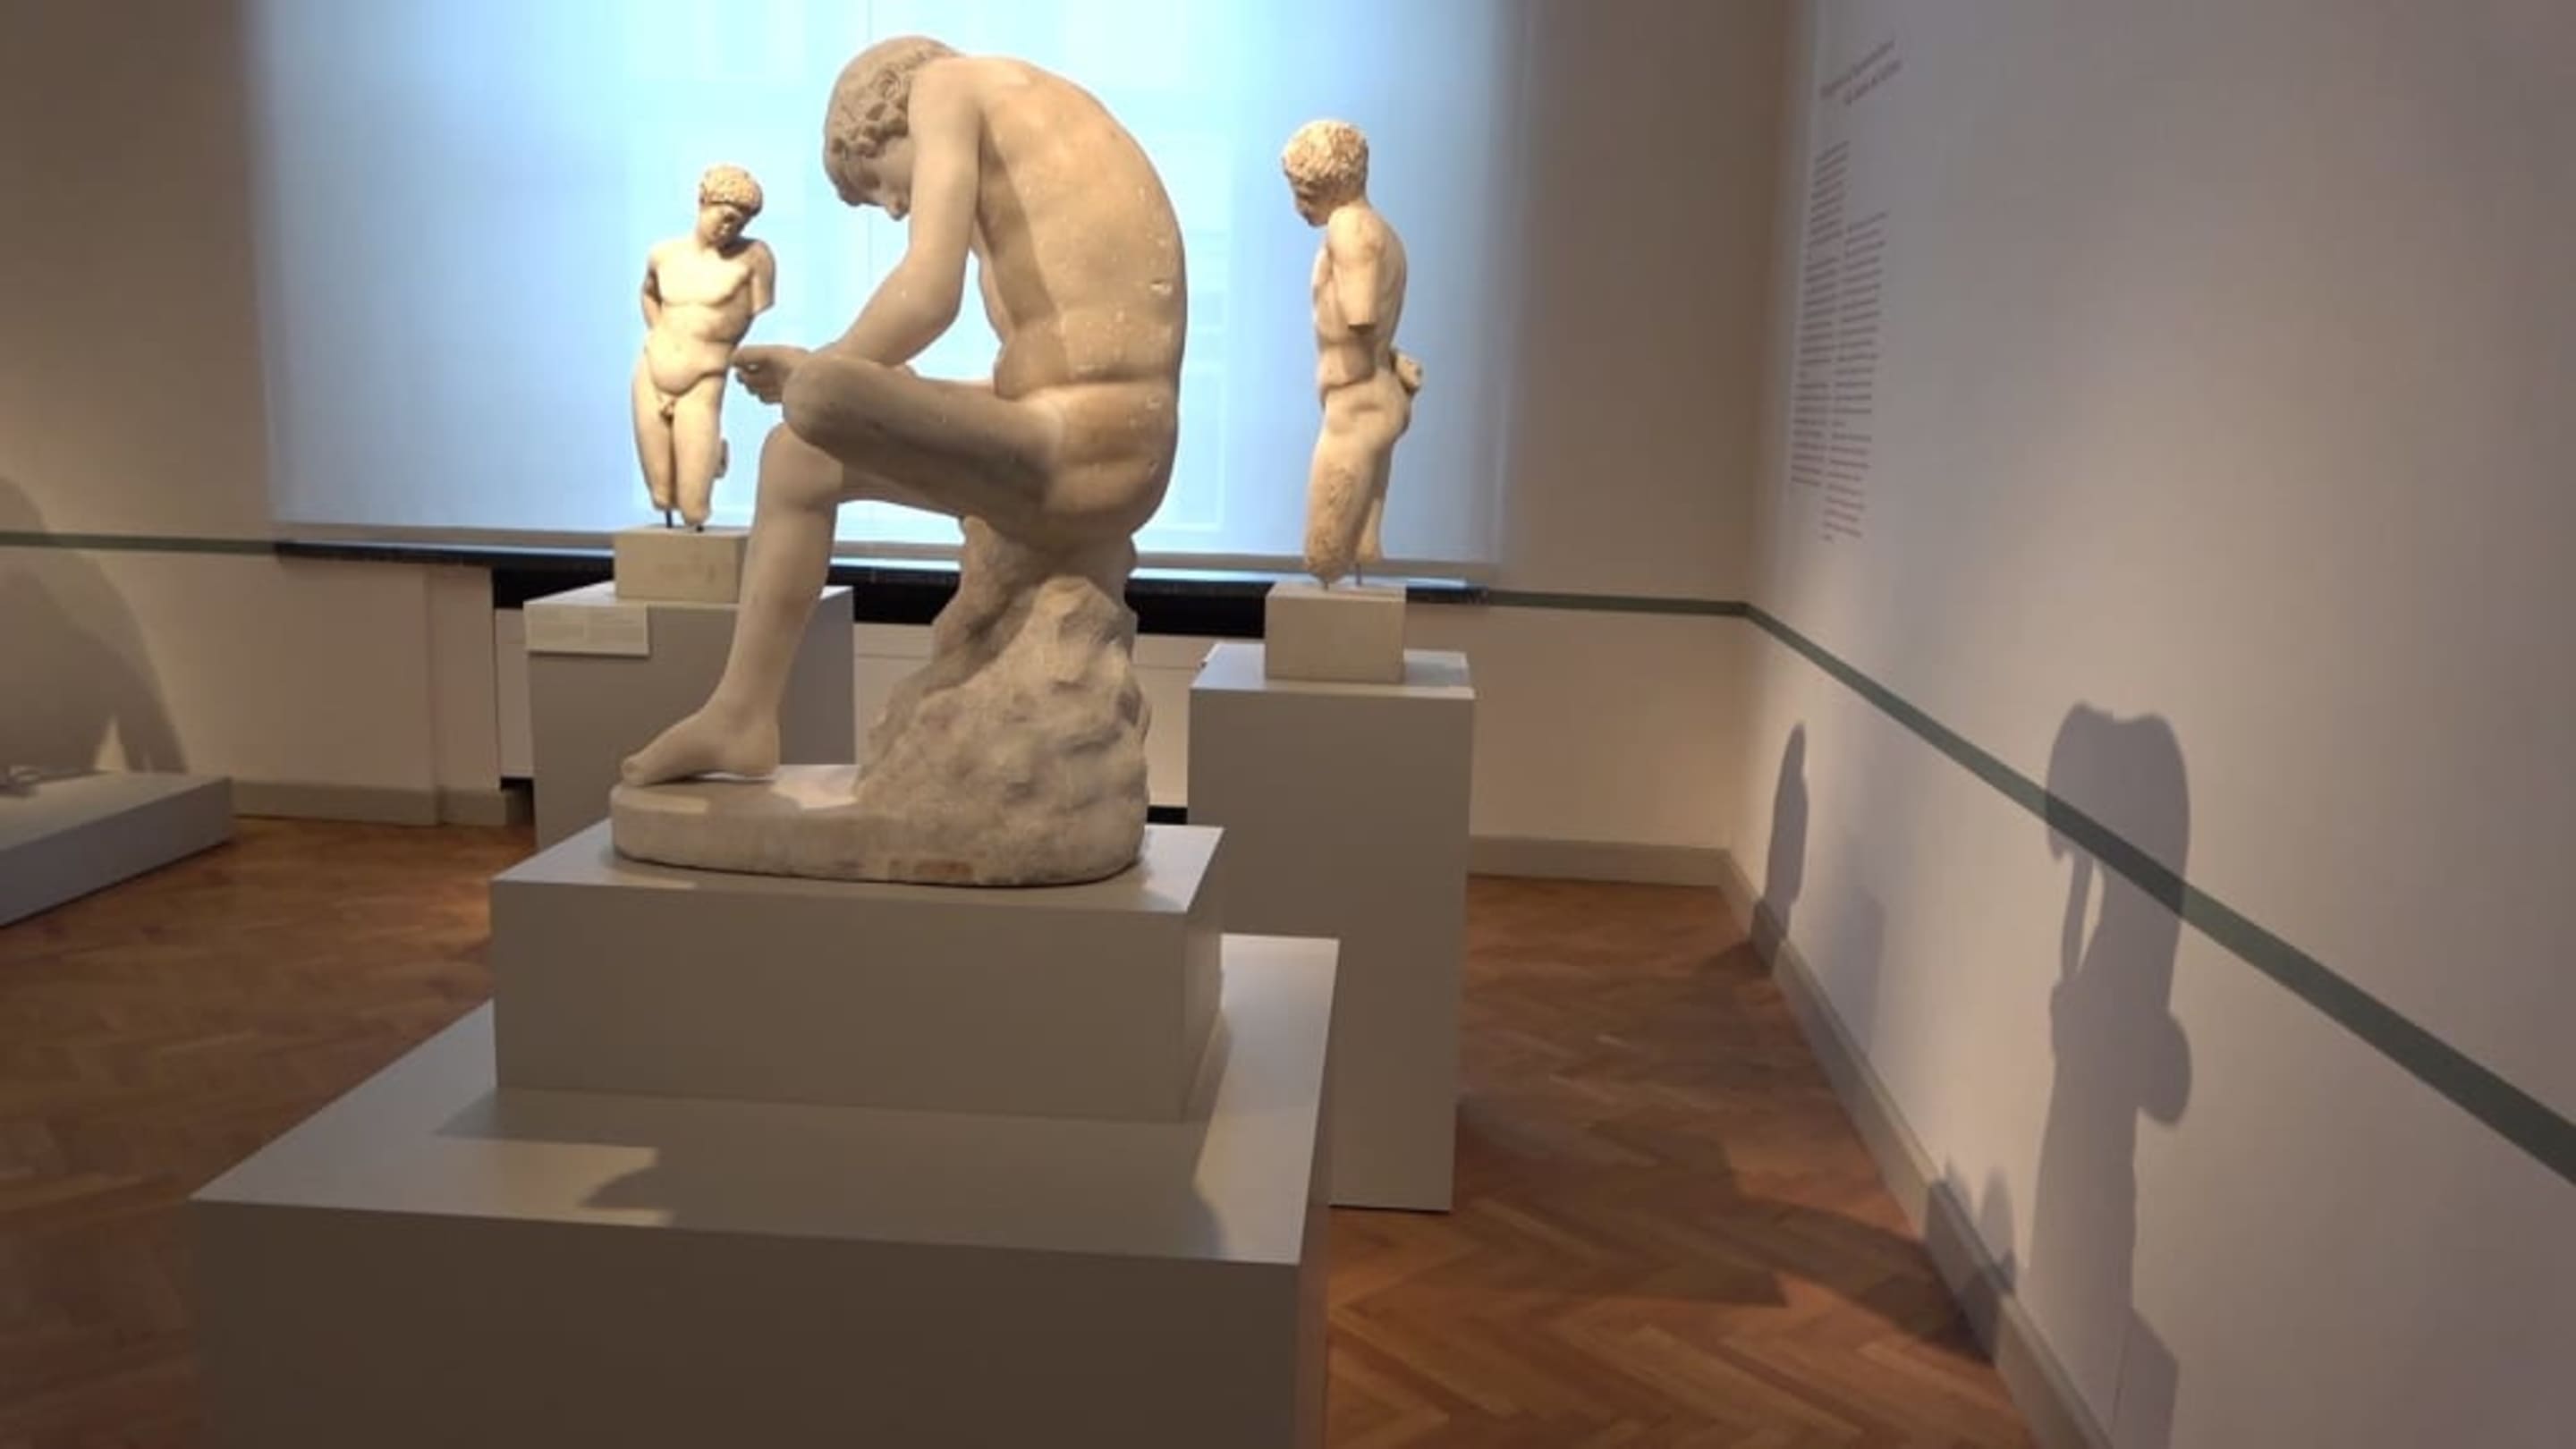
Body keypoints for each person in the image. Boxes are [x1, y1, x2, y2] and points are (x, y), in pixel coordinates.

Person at [621, 36, 1187, 791]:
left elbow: (927, 294)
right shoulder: (1040, 112)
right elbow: (1055, 370)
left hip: (1083, 450)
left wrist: (824, 373)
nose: (893, 206)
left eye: (876, 181)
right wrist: (849, 377)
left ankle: (740, 713)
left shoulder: (946, 86)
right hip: (1095, 442)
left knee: (816, 402)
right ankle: (741, 717)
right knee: (798, 456)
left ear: (885, 115)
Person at [1283, 119, 1421, 586]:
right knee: (1359, 549)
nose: (1299, 206)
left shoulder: (1349, 226)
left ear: (1331, 183)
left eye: (1304, 192)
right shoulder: (1385, 232)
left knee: (1323, 556)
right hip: (1376, 394)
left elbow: (1361, 315)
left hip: (1354, 405)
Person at [631, 164, 775, 530]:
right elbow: (649, 294)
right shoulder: (664, 254)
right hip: (652, 368)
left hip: (703, 376)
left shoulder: (754, 258)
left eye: (740, 224)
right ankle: (710, 460)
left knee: (694, 507)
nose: (731, 229)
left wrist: (720, 346)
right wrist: (660, 334)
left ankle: (714, 458)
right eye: (726, 218)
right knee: (661, 495)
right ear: (703, 202)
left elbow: (755, 310)